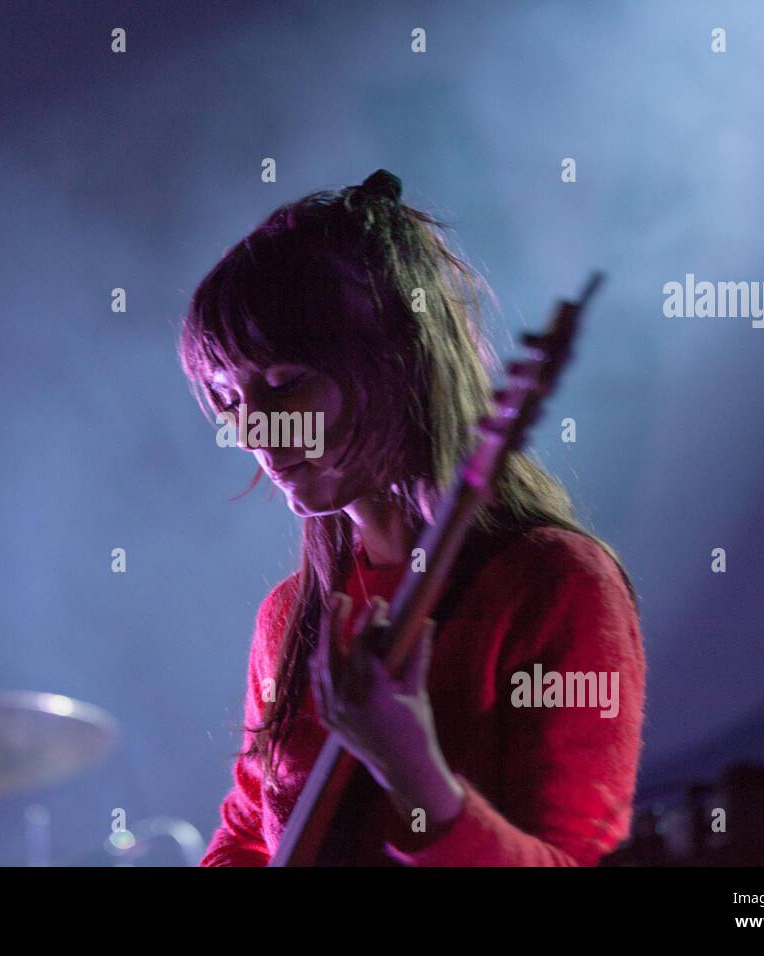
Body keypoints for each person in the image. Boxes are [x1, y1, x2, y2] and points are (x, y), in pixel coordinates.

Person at [178, 169, 646, 866]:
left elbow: (576, 861)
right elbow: (249, 832)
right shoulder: (289, 620)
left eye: (282, 384)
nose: (250, 431)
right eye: (227, 398)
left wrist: (413, 775)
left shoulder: (556, 585)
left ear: (396, 361)